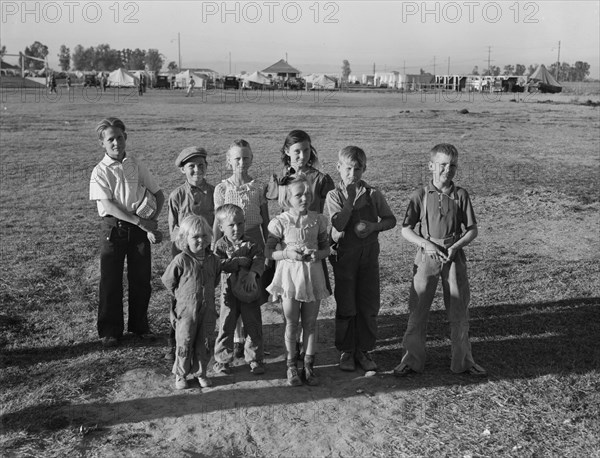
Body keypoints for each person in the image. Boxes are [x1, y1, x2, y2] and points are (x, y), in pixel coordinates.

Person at [393, 144, 487, 377]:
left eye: (452, 165)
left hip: (454, 256)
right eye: (443, 165)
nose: (448, 170)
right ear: (431, 166)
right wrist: (426, 244)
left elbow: (472, 229)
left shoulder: (461, 195)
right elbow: (406, 229)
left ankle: (463, 361)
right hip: (427, 256)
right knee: (418, 309)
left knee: (459, 310)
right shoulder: (421, 195)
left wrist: (455, 246)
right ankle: (411, 360)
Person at [89, 117, 164, 347]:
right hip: (114, 228)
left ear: (126, 138)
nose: (116, 143)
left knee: (141, 278)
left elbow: (158, 194)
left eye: (119, 137)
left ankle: (140, 326)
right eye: (110, 139)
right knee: (111, 280)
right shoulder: (100, 171)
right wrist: (139, 222)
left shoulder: (136, 165)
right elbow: (109, 206)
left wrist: (151, 221)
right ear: (102, 143)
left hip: (140, 227)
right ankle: (110, 331)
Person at [326, 146, 396, 373]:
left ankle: (363, 350)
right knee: (346, 304)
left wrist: (374, 226)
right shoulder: (334, 195)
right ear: (339, 168)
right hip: (345, 259)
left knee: (368, 303)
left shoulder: (374, 194)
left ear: (364, 169)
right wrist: (350, 200)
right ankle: (347, 350)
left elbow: (390, 220)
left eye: (358, 169)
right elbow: (337, 223)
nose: (353, 174)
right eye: (348, 168)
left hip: (368, 258)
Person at [266, 129, 335, 361]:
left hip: (312, 240)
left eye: (306, 150)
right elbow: (278, 209)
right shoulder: (280, 178)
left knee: (310, 301)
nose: (302, 155)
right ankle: (291, 355)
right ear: (287, 151)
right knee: (291, 307)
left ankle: (307, 359)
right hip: (288, 245)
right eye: (297, 151)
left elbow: (321, 210)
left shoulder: (320, 178)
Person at [265, 176, 330, 386]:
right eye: (299, 194)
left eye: (307, 193)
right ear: (287, 197)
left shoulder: (318, 220)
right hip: (289, 279)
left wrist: (317, 255)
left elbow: (326, 249)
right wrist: (286, 254)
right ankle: (291, 365)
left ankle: (309, 366)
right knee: (292, 322)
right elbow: (268, 251)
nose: (305, 197)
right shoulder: (280, 222)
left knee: (310, 323)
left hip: (312, 276)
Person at [213, 139, 270, 359]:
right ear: (229, 161)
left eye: (246, 157)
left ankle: (250, 337)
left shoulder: (258, 186)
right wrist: (214, 248)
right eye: (237, 158)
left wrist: (268, 249)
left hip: (253, 242)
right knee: (231, 290)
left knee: (250, 289)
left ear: (252, 159)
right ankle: (236, 338)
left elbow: (266, 220)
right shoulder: (222, 188)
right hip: (229, 246)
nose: (241, 162)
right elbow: (218, 221)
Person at [165, 146, 215, 361]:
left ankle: (203, 344)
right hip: (184, 256)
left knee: (205, 296)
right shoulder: (177, 196)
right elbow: (173, 231)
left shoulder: (215, 192)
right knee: (180, 299)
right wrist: (187, 245)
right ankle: (175, 343)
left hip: (208, 253)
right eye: (191, 166)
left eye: (201, 165)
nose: (197, 170)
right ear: (182, 170)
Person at [161, 215, 220, 390]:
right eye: (195, 237)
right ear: (185, 239)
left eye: (204, 236)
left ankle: (201, 372)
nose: (201, 240)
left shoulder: (214, 260)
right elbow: (168, 281)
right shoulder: (181, 260)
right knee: (185, 341)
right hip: (186, 311)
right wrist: (181, 297)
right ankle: (181, 373)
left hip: (207, 309)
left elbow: (215, 279)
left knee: (205, 341)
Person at [213, 204, 266, 375]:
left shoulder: (252, 243)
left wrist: (253, 273)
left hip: (249, 292)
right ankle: (222, 361)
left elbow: (259, 258)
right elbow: (218, 264)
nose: (237, 228)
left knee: (253, 324)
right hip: (228, 294)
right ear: (221, 227)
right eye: (231, 225)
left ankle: (255, 359)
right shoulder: (220, 246)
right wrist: (237, 262)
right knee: (226, 325)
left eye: (240, 223)